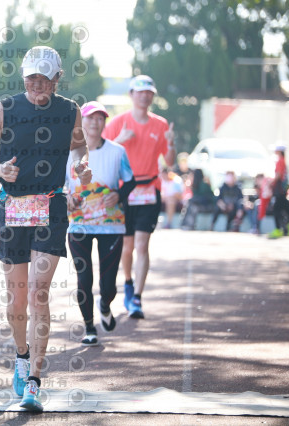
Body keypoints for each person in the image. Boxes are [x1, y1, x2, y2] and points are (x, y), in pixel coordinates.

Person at [0, 46, 91, 412]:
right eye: (31, 78)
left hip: (51, 206)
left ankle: (34, 383)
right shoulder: (3, 109)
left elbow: (79, 148)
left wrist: (81, 167)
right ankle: (22, 355)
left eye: (44, 78)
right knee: (17, 298)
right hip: (12, 206)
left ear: (57, 80)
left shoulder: (70, 111)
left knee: (39, 292)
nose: (36, 84)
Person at [102, 75, 175, 319]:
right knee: (127, 247)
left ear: (153, 96)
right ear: (131, 94)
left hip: (149, 189)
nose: (145, 96)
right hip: (125, 190)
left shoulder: (161, 125)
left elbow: (170, 161)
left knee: (142, 244)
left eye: (149, 93)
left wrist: (171, 144)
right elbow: (101, 151)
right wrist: (119, 140)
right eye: (140, 92)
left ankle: (137, 298)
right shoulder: (118, 122)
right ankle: (128, 282)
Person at [67, 102, 136, 346]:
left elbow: (130, 181)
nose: (95, 122)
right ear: (81, 122)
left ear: (105, 122)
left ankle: (105, 304)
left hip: (111, 224)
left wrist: (118, 194)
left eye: (100, 118)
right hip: (79, 225)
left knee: (108, 285)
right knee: (84, 278)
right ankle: (89, 327)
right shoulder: (67, 153)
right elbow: (58, 186)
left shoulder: (117, 151)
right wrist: (66, 197)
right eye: (90, 118)